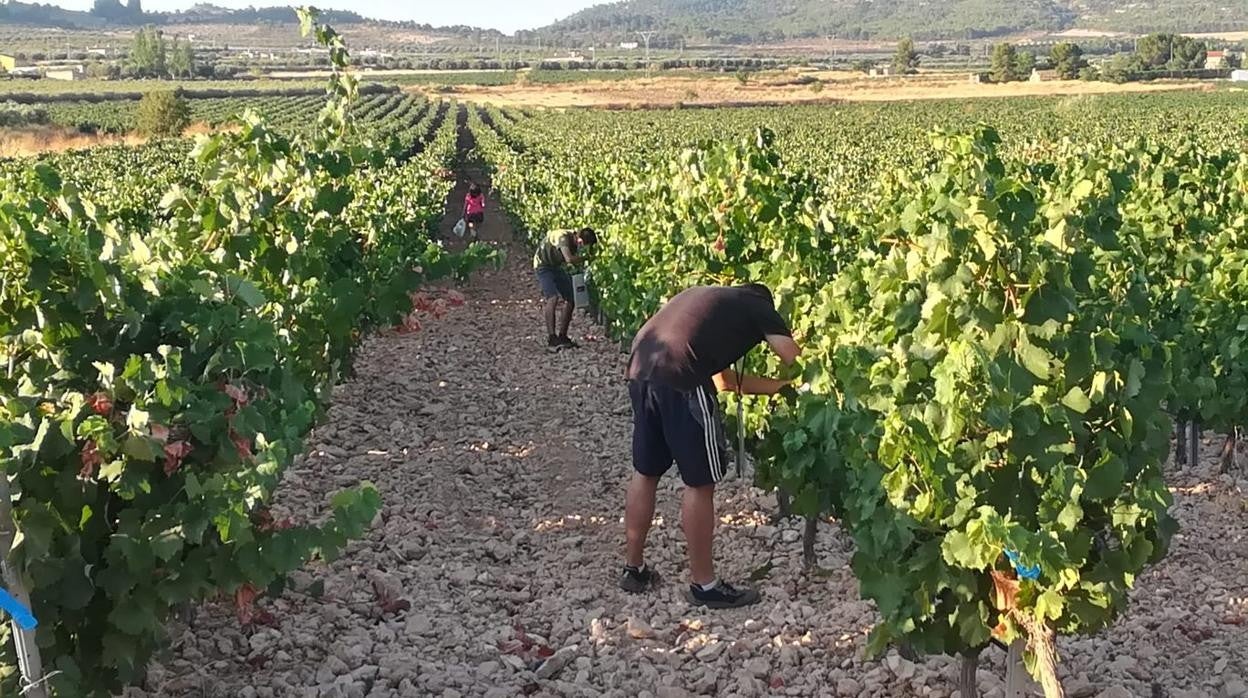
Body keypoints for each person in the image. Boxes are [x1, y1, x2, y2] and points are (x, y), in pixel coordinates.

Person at [620, 283, 801, 609]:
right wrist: (803, 383)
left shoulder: (709, 302)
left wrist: (781, 388)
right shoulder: (759, 305)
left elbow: (726, 382)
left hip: (641, 367)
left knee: (645, 471)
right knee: (700, 483)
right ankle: (704, 585)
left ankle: (634, 569)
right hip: (681, 376)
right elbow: (793, 357)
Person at [533, 227, 597, 351]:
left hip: (555, 266)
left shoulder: (575, 241)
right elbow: (569, 259)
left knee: (572, 297)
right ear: (577, 237)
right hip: (543, 266)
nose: (581, 247)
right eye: (581, 244)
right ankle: (552, 338)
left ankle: (562, 336)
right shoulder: (562, 238)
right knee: (553, 298)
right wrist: (588, 258)